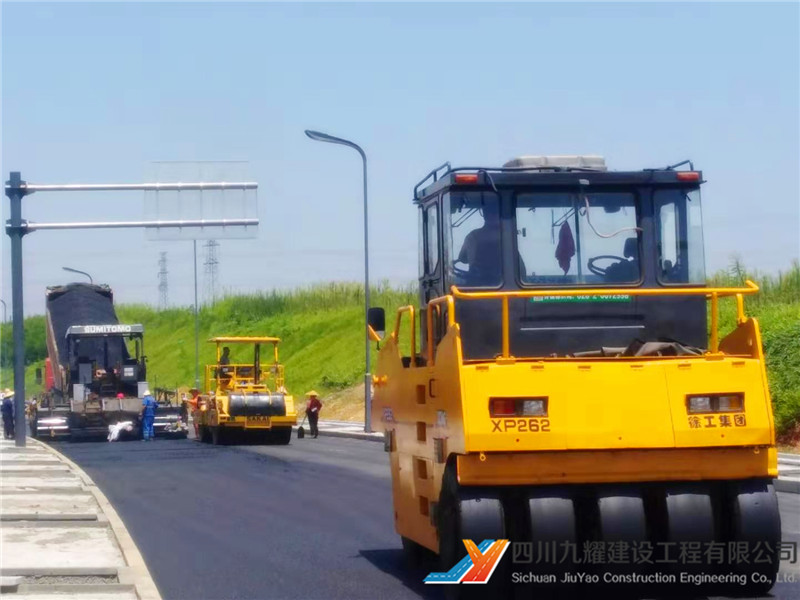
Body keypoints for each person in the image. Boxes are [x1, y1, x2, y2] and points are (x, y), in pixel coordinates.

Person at [456, 207, 503, 286]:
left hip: (477, 286)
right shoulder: (507, 236)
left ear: (484, 216)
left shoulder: (473, 236)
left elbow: (462, 258)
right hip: (506, 286)